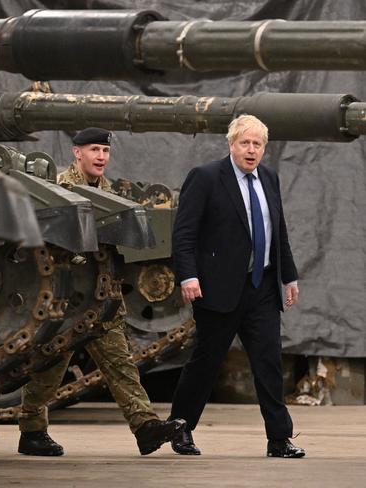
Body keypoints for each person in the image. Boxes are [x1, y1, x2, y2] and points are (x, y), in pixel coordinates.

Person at [17, 127, 186, 457]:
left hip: (101, 297)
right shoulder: (56, 188)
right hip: (64, 299)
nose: (101, 157)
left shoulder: (114, 194)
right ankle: (32, 429)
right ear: (77, 153)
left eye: (105, 152)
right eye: (94, 150)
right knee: (47, 369)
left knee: (120, 364)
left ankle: (145, 427)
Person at [169, 115, 305, 458]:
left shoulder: (269, 178)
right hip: (217, 288)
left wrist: (288, 275)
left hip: (262, 287)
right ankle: (181, 428)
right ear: (231, 145)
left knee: (269, 363)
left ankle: (279, 439)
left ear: (264, 149)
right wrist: (188, 275)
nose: (251, 149)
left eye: (257, 144)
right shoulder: (206, 177)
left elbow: (279, 232)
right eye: (245, 143)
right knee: (205, 363)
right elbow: (184, 233)